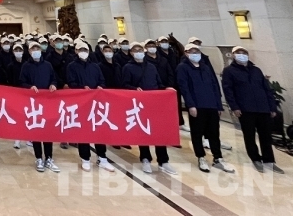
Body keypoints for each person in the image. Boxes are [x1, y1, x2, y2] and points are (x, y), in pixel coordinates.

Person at [221, 46, 284, 174]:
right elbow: (228, 91)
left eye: (244, 53)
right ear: (233, 55)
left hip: (263, 108)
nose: (242, 55)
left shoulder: (256, 70)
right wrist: (234, 107)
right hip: (245, 109)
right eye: (238, 53)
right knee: (249, 136)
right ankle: (255, 159)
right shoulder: (229, 71)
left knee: (266, 136)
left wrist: (272, 107)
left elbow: (267, 89)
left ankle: (269, 160)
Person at [176, 42, 234, 174]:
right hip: (197, 105)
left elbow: (214, 86)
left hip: (211, 105)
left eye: (197, 52)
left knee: (214, 132)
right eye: (192, 52)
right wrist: (190, 105)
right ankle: (201, 157)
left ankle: (218, 158)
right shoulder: (182, 68)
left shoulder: (205, 67)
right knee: (197, 133)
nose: (195, 54)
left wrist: (218, 105)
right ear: (186, 53)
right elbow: (184, 88)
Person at [121, 42, 176, 175]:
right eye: (135, 50)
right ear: (131, 53)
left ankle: (163, 160)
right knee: (143, 131)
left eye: (140, 49)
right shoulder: (128, 67)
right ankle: (145, 158)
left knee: (158, 131)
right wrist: (135, 89)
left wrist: (166, 89)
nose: (138, 52)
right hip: (139, 105)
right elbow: (124, 85)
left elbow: (158, 83)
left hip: (154, 104)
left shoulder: (151, 67)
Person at [66, 41, 114, 172]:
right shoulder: (72, 66)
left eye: (85, 50)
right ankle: (85, 158)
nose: (83, 52)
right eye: (81, 50)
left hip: (96, 103)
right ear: (76, 51)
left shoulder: (95, 66)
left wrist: (100, 87)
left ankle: (102, 157)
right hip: (81, 103)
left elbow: (102, 81)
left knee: (99, 129)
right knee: (84, 131)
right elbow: (71, 82)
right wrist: (82, 88)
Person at [19, 41, 60, 173]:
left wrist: (53, 85)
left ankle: (49, 158)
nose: (35, 50)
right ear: (29, 51)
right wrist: (29, 87)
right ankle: (38, 158)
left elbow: (54, 79)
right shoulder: (26, 66)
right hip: (34, 103)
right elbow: (22, 82)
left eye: (37, 48)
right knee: (36, 130)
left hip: (47, 102)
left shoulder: (48, 65)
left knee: (47, 131)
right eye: (33, 49)